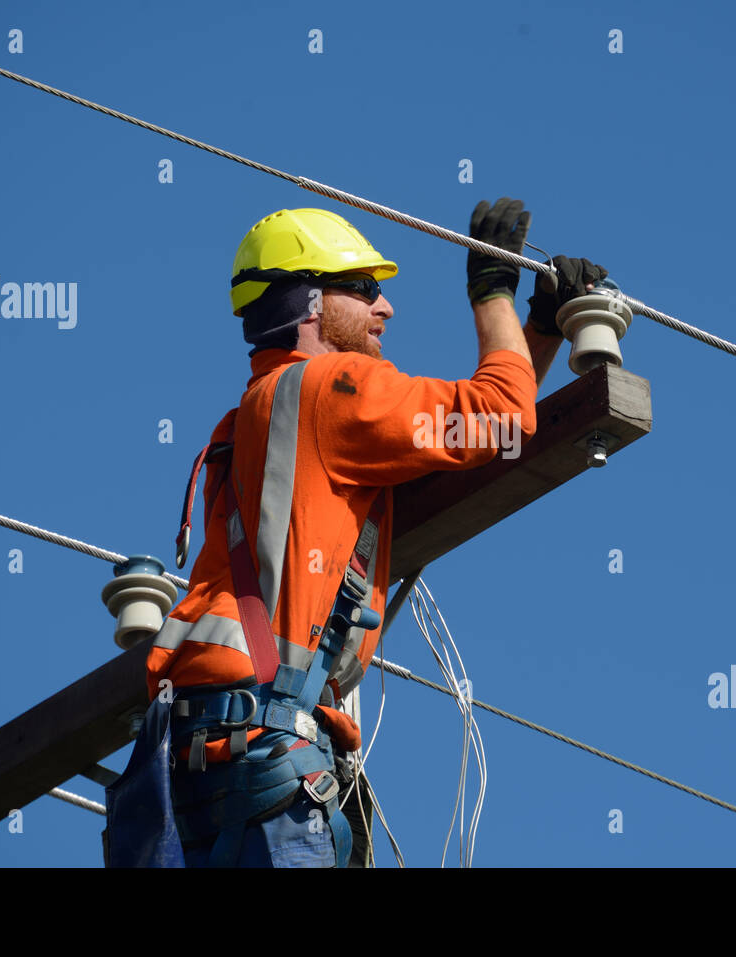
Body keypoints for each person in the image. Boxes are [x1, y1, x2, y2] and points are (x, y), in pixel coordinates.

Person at [143, 199, 607, 867]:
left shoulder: (253, 420)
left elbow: (476, 446)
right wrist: (492, 292)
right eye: (364, 290)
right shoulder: (335, 389)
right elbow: (502, 416)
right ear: (308, 304)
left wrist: (534, 327)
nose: (385, 308)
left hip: (192, 774)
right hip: (268, 758)